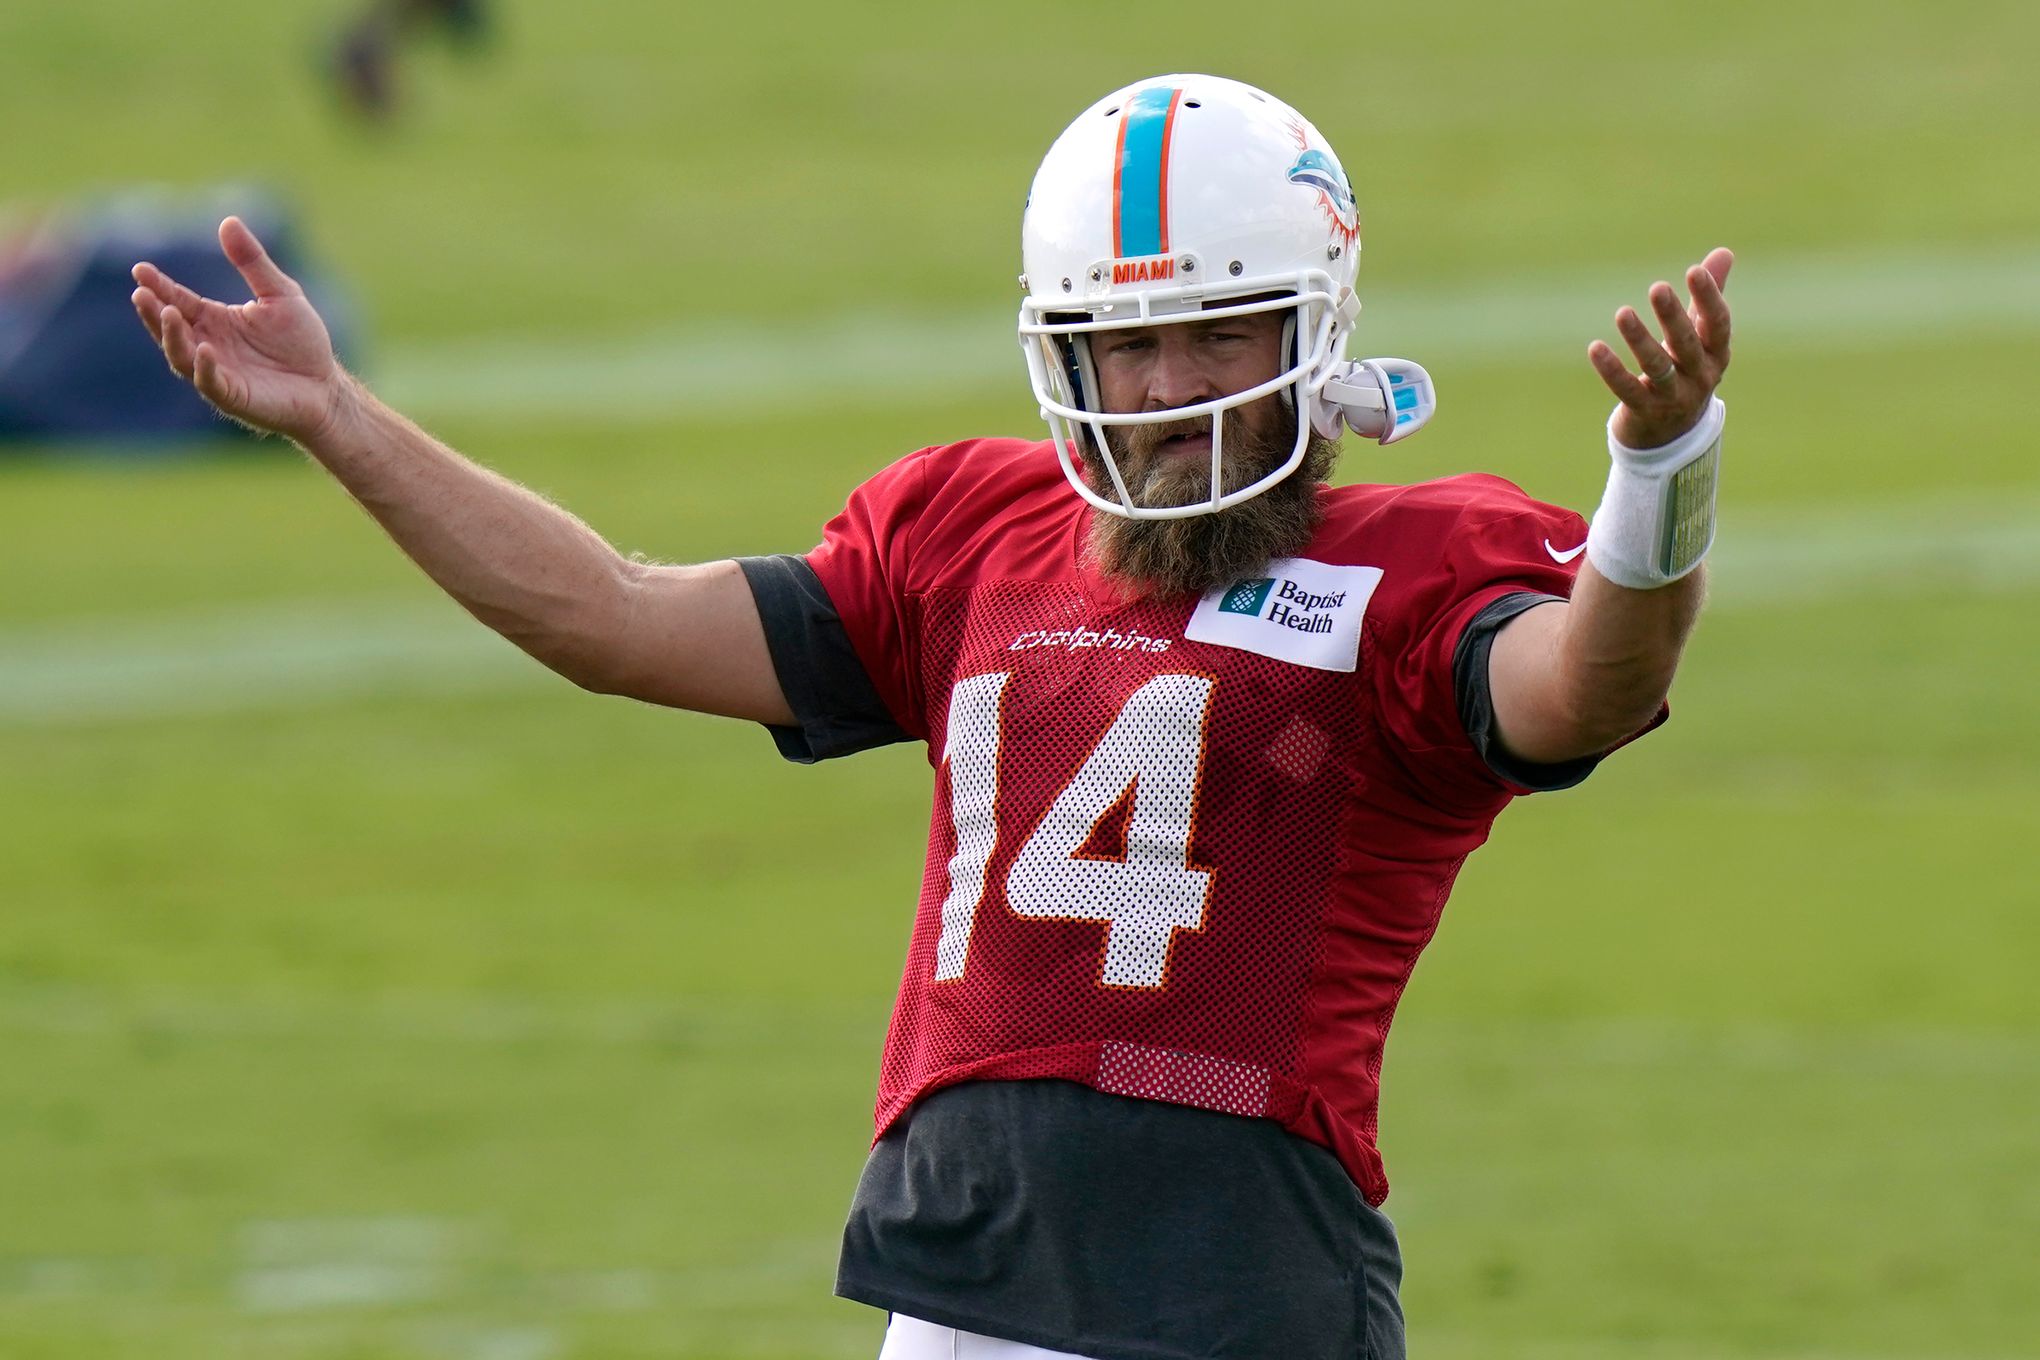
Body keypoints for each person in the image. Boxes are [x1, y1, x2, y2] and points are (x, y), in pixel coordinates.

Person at [130, 73, 1732, 1360]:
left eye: (1217, 331)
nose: (1170, 384)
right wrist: (339, 421)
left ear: (1316, 325)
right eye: (1128, 340)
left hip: (1231, 1282)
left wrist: (1658, 482)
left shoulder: (1408, 569)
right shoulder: (972, 533)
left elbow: (1586, 682)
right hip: (954, 1270)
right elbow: (614, 619)